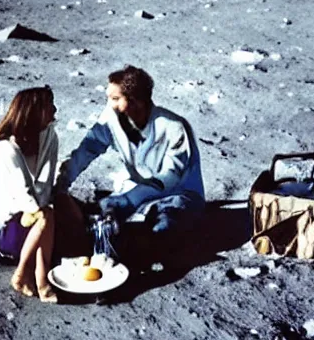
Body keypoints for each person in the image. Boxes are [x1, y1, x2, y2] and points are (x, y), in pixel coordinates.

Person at [58, 65, 205, 261]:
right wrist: (62, 182)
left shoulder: (174, 127)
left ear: (137, 101)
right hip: (133, 189)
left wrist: (129, 200)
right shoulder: (111, 119)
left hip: (177, 194)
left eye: (116, 99)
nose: (110, 105)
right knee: (95, 222)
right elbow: (88, 149)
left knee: (161, 232)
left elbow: (170, 177)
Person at [0, 86, 60, 303]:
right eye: (49, 106)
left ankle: (40, 278)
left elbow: (47, 180)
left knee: (48, 213)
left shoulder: (49, 136)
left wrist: (38, 209)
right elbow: (24, 193)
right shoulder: (5, 148)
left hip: (29, 214)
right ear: (34, 112)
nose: (55, 109)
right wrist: (37, 210)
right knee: (45, 216)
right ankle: (27, 275)